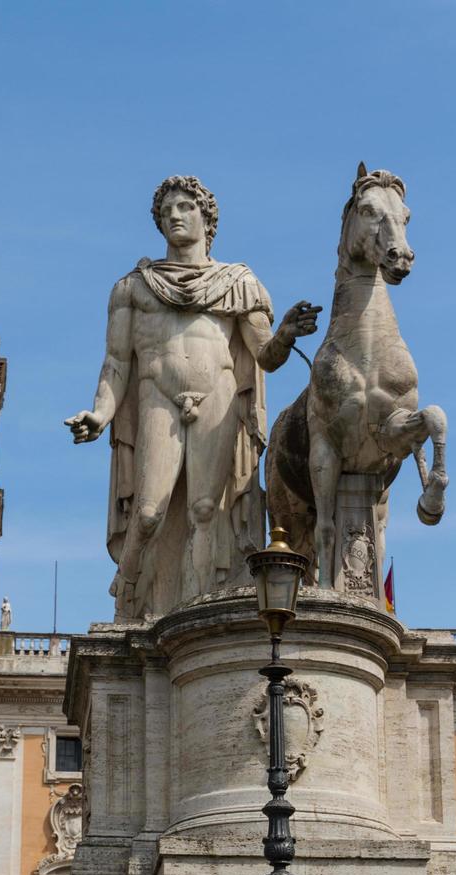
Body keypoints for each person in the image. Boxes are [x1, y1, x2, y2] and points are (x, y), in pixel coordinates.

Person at [66, 175, 320, 620]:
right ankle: (129, 588)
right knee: (148, 512)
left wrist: (285, 333)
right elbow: (117, 363)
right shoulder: (133, 288)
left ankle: (193, 609)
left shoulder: (237, 283)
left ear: (207, 217)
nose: (174, 218)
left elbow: (265, 355)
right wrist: (102, 413)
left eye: (184, 208)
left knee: (207, 509)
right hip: (156, 397)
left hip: (218, 395)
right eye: (166, 213)